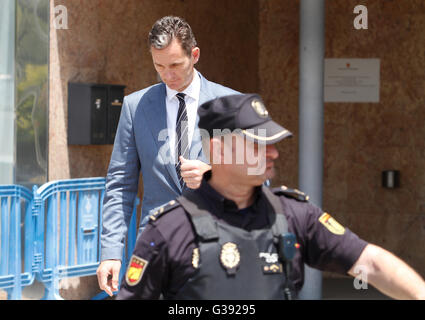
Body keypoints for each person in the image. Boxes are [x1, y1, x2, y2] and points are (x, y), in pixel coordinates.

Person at [116, 93, 425, 300]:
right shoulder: (168, 230)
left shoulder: (294, 216)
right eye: (259, 144)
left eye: (274, 143)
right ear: (219, 148)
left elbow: (369, 264)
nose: (274, 153)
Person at [96, 16, 239, 297]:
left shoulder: (232, 105)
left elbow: (259, 185)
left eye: (175, 65)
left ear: (194, 55)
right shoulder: (135, 107)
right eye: (159, 66)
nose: (168, 75)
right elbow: (119, 186)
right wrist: (111, 251)